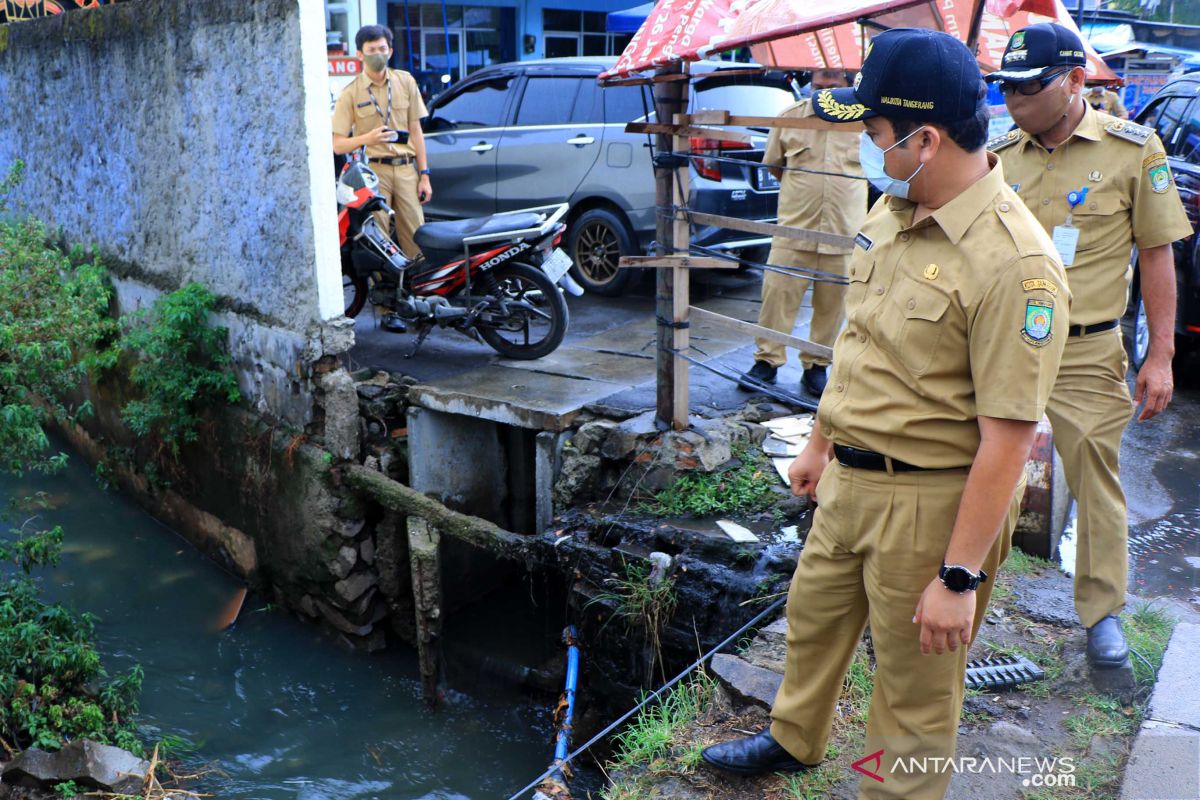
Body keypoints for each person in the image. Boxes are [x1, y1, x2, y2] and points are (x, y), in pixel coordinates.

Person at [701, 29, 1069, 799]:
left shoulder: (1017, 264)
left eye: (873, 135)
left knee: (913, 695)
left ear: (925, 139)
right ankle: (793, 738)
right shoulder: (894, 209)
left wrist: (959, 576)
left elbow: (1010, 437)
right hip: (849, 482)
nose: (869, 149)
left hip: (930, 505)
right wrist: (818, 443)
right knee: (812, 623)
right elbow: (861, 347)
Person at [986, 23, 1191, 668]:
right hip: (1003, 346)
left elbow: (1158, 256)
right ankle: (959, 590)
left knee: (1096, 479)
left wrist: (1160, 356)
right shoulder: (996, 155)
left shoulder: (1134, 151)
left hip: (1086, 350)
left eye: (1029, 87)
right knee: (975, 465)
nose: (1015, 100)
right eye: (1008, 87)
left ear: (1076, 81)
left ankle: (1102, 616)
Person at [739, 69, 867, 398]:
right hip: (794, 230)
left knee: (833, 305)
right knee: (777, 297)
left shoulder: (865, 123)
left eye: (832, 86)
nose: (823, 92)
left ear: (848, 84)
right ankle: (766, 362)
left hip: (843, 234)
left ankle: (816, 366)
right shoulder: (790, 118)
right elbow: (775, 166)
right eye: (818, 85)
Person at [332, 25, 432, 259]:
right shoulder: (350, 93)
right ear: (360, 54)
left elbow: (416, 130)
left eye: (382, 48)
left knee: (417, 235)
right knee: (379, 239)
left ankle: (417, 289)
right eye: (371, 49)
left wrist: (424, 175)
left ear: (390, 51)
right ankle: (387, 292)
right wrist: (368, 138)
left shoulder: (405, 81)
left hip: (407, 169)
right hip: (374, 173)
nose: (378, 54)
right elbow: (338, 145)